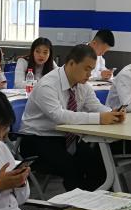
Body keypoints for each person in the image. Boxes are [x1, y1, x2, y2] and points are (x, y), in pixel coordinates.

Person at [19, 44, 125, 191]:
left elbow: (95, 106)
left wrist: (113, 113)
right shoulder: (48, 85)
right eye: (86, 69)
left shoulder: (83, 86)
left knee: (99, 165)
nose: (89, 75)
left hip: (66, 138)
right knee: (73, 167)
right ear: (71, 63)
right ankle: (78, 202)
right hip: (37, 139)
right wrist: (100, 118)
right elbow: (59, 116)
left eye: (92, 70)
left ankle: (93, 199)